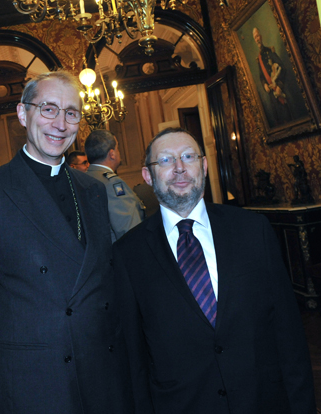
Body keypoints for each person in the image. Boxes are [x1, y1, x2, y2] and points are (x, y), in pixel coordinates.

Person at [0, 71, 132, 414]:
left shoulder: (92, 190)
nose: (60, 124)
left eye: (71, 113)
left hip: (102, 370)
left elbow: (105, 280)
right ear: (23, 114)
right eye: (48, 109)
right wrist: (10, 362)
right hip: (34, 380)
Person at [113, 127, 316, 414]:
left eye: (188, 156)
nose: (180, 168)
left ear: (204, 166)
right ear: (148, 176)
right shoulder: (127, 255)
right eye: (166, 160)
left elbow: (289, 334)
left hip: (263, 402)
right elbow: (135, 361)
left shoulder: (252, 230)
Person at [84, 129, 144, 241]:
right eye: (118, 148)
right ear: (112, 154)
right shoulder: (112, 184)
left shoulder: (82, 180)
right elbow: (129, 232)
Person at [253, 27, 292, 127]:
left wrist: (279, 86)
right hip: (271, 96)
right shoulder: (259, 59)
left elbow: (282, 68)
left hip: (279, 92)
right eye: (255, 37)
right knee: (278, 124)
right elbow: (261, 77)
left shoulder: (270, 51)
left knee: (288, 121)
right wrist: (265, 85)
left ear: (261, 37)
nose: (257, 39)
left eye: (258, 36)